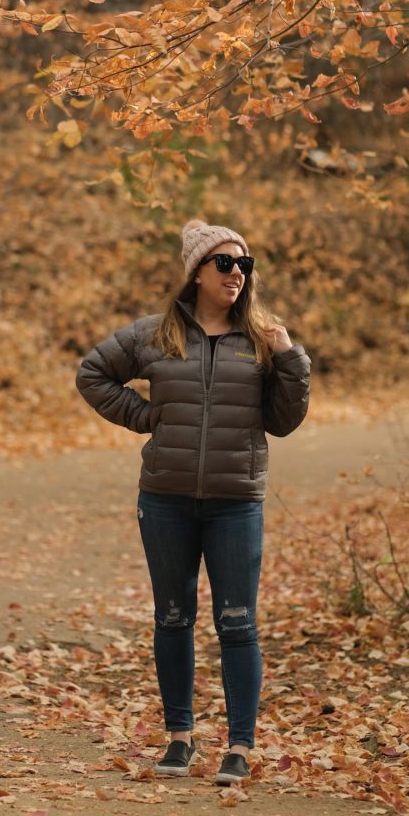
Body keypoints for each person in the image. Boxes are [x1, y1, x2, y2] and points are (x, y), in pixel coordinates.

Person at [75, 218, 311, 785]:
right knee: (173, 617)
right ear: (198, 273)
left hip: (236, 502)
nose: (237, 274)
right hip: (166, 500)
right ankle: (179, 738)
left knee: (238, 623)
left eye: (244, 264)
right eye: (225, 263)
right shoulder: (155, 335)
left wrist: (290, 359)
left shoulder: (261, 338)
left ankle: (239, 746)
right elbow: (93, 374)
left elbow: (283, 422)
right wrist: (144, 417)